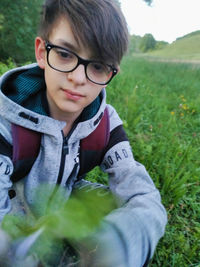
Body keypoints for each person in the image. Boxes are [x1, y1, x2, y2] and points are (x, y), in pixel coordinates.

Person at [0, 0, 167, 266]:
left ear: (112, 72)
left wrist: (123, 240)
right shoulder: (6, 122)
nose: (78, 78)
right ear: (42, 52)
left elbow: (141, 192)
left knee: (115, 204)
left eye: (98, 66)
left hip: (65, 200)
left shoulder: (105, 124)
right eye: (65, 54)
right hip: (14, 211)